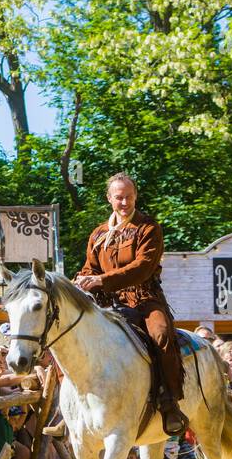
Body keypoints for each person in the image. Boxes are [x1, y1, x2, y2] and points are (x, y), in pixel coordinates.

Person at [72, 172, 188, 435]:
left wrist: (101, 280)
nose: (124, 202)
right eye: (119, 197)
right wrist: (82, 280)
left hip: (144, 299)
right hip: (107, 303)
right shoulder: (98, 234)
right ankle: (69, 407)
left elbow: (142, 268)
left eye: (128, 197)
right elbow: (90, 268)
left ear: (135, 196)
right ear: (109, 198)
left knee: (161, 336)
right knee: (69, 333)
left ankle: (170, 403)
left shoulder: (148, 228)